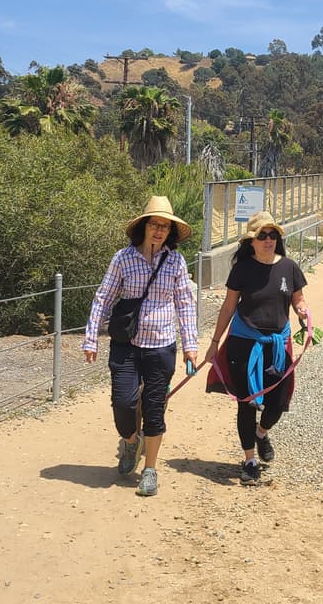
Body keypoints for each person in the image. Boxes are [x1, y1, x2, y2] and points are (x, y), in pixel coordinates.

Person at [82, 195, 198, 497]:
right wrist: (91, 336)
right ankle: (131, 442)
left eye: (165, 226)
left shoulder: (175, 261)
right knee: (123, 404)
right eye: (154, 224)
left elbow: (185, 303)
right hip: (127, 343)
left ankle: (150, 469)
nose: (159, 230)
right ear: (143, 227)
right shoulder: (123, 258)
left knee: (154, 409)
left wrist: (191, 346)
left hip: (161, 344)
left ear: (170, 231)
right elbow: (104, 298)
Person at [204, 211, 309, 486]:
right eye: (262, 235)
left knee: (277, 402)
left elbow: (298, 299)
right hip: (244, 343)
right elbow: (228, 307)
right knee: (247, 402)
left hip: (277, 344)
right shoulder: (242, 269)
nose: (268, 240)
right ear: (251, 241)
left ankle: (262, 433)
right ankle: (249, 461)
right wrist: (214, 343)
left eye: (272, 234)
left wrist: (303, 312)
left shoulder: (289, 267)